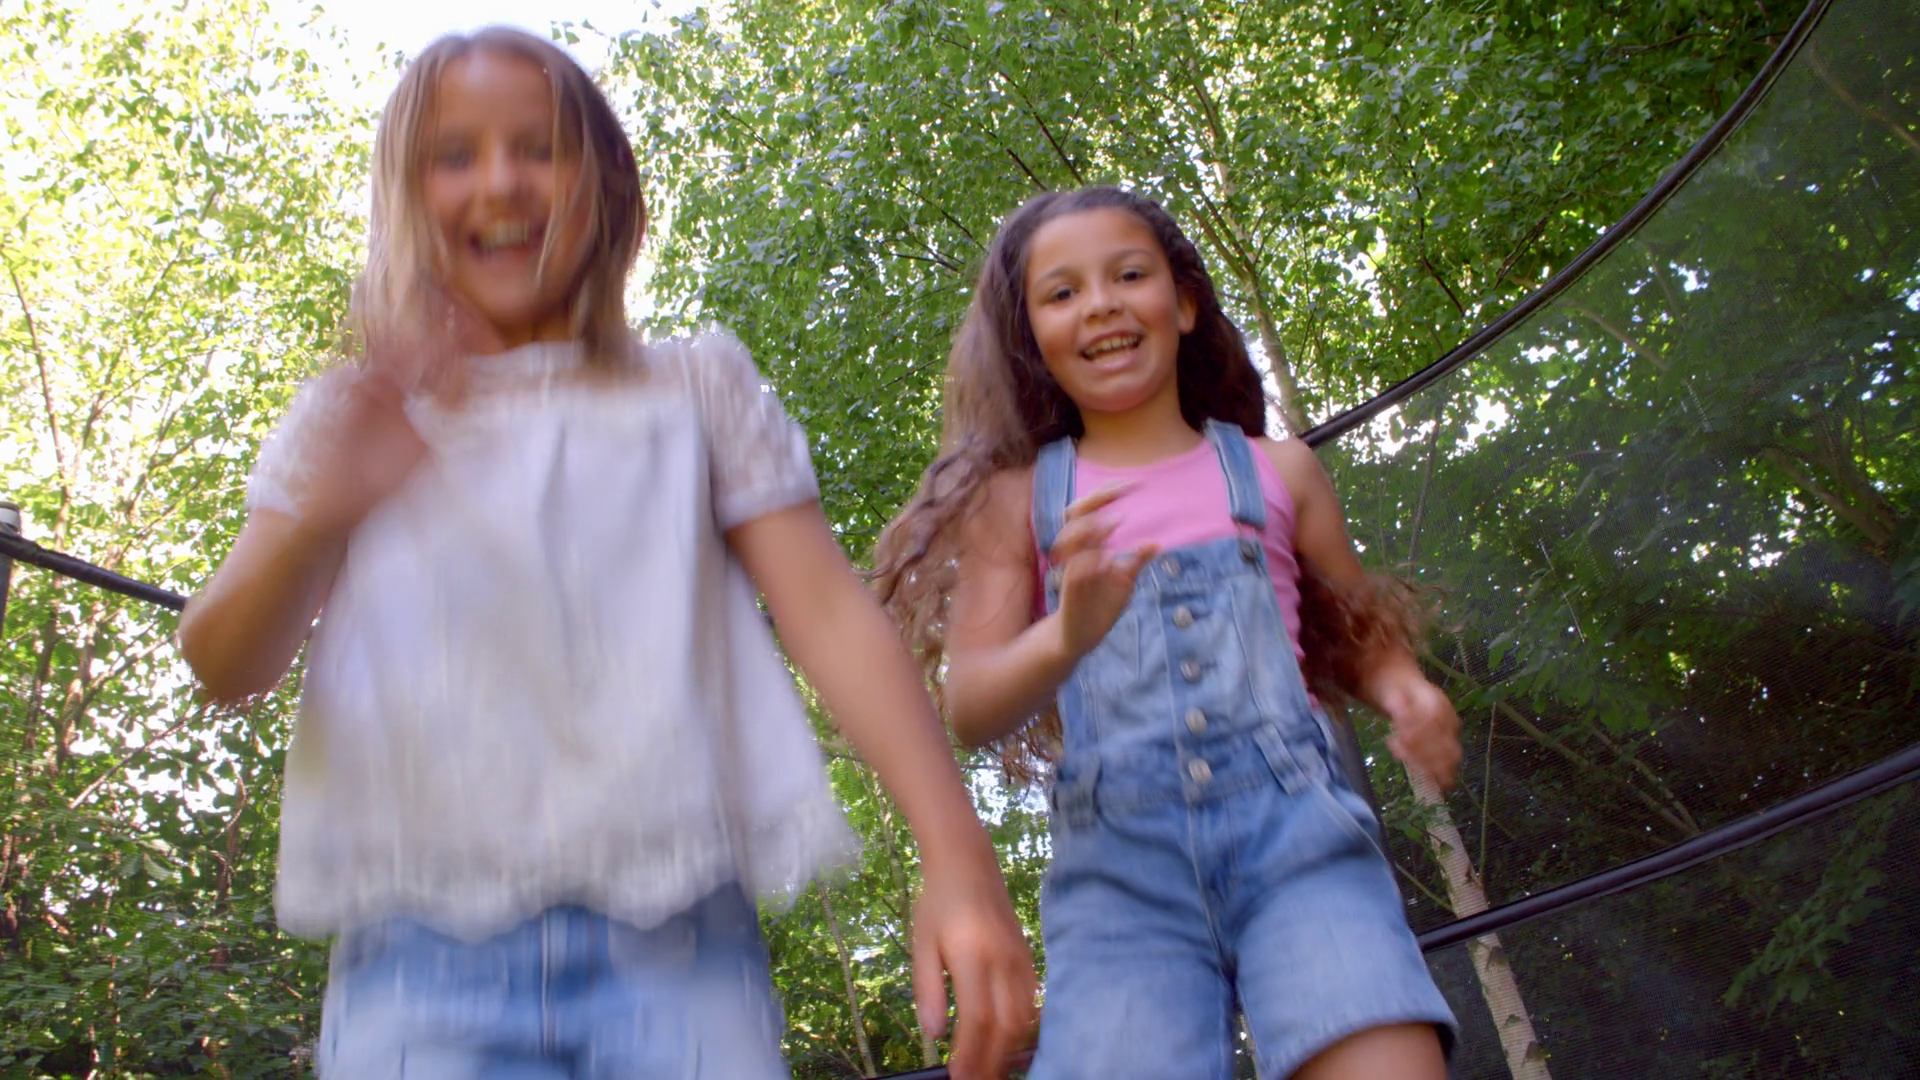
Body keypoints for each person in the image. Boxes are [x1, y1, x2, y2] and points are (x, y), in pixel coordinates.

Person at [177, 27, 1034, 1079]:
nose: (499, 178)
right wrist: (320, 510)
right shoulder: (353, 418)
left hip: (681, 955)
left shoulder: (692, 391)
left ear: (607, 186)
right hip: (418, 964)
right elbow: (225, 661)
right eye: (455, 155)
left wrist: (958, 859)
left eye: (539, 147)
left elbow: (829, 617)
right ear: (406, 199)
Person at [871, 186, 1462, 1080]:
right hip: (1120, 877)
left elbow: (1355, 626)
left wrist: (1406, 689)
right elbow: (973, 706)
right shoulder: (1015, 503)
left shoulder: (1278, 469)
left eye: (1130, 274)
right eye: (1062, 292)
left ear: (1183, 304)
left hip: (1299, 841)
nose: (1101, 302)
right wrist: (1067, 635)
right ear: (1031, 339)